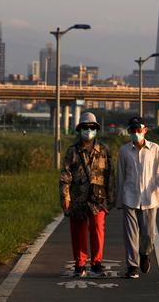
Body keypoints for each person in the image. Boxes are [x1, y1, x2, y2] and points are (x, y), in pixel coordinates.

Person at [60, 112, 115, 278]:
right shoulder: (72, 151)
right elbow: (65, 177)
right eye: (85, 127)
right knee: (78, 232)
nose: (88, 130)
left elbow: (110, 176)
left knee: (97, 229)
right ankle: (80, 265)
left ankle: (96, 264)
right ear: (80, 129)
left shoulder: (104, 150)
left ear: (96, 129)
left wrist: (110, 200)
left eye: (91, 127)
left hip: (98, 199)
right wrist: (65, 198)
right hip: (77, 198)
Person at [116, 116, 159, 279]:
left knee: (148, 234)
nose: (135, 133)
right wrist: (119, 199)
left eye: (138, 130)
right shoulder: (124, 151)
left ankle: (145, 254)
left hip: (149, 198)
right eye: (132, 130)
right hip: (129, 197)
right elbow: (120, 175)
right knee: (130, 234)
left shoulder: (154, 149)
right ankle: (132, 266)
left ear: (145, 130)